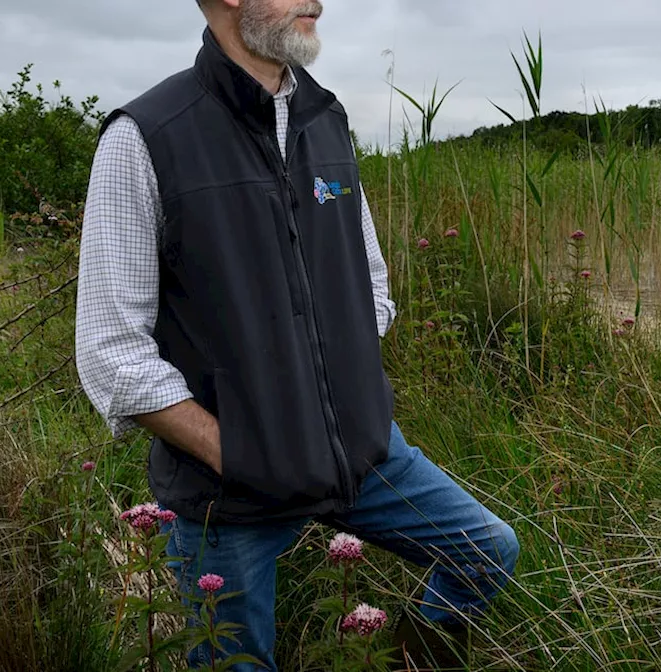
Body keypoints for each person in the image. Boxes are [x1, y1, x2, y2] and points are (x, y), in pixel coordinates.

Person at [73, 0, 520, 669]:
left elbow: (368, 282)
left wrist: (345, 401)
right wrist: (241, 452)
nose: (316, 1)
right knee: (238, 663)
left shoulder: (325, 118)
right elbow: (110, 352)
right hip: (230, 489)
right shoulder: (147, 137)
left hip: (362, 453)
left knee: (487, 551)